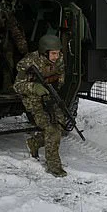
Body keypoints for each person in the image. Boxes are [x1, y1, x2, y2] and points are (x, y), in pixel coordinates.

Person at [13, 34, 67, 177]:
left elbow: (61, 75)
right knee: (51, 129)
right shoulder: (29, 62)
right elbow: (17, 86)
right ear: (45, 51)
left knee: (60, 124)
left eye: (58, 53)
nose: (57, 56)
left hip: (50, 96)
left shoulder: (59, 60)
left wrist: (55, 85)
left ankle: (34, 143)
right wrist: (34, 88)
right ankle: (54, 166)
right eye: (53, 53)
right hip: (33, 99)